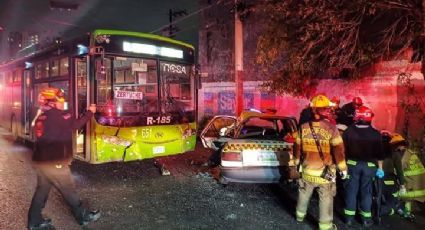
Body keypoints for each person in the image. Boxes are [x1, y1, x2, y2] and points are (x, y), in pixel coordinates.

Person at [28, 88, 100, 230]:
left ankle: (34, 222)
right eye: (60, 101)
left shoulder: (42, 114)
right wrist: (90, 112)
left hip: (42, 161)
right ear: (52, 103)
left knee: (41, 191)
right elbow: (75, 125)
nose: (63, 103)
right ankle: (83, 216)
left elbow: (66, 123)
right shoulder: (55, 116)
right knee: (68, 189)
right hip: (55, 162)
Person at [293, 94, 348, 230]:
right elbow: (338, 151)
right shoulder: (331, 128)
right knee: (326, 198)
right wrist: (343, 169)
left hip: (307, 170)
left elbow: (297, 147)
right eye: (327, 109)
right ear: (322, 110)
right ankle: (325, 226)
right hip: (325, 173)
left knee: (304, 193)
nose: (329, 111)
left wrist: (296, 163)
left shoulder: (304, 127)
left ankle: (300, 216)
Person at [342, 105, 385, 227]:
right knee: (366, 192)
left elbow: (342, 151)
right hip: (369, 167)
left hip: (352, 166)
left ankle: (349, 218)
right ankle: (366, 219)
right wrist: (380, 168)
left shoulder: (348, 131)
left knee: (351, 191)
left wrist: (343, 165)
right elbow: (380, 154)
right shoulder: (375, 134)